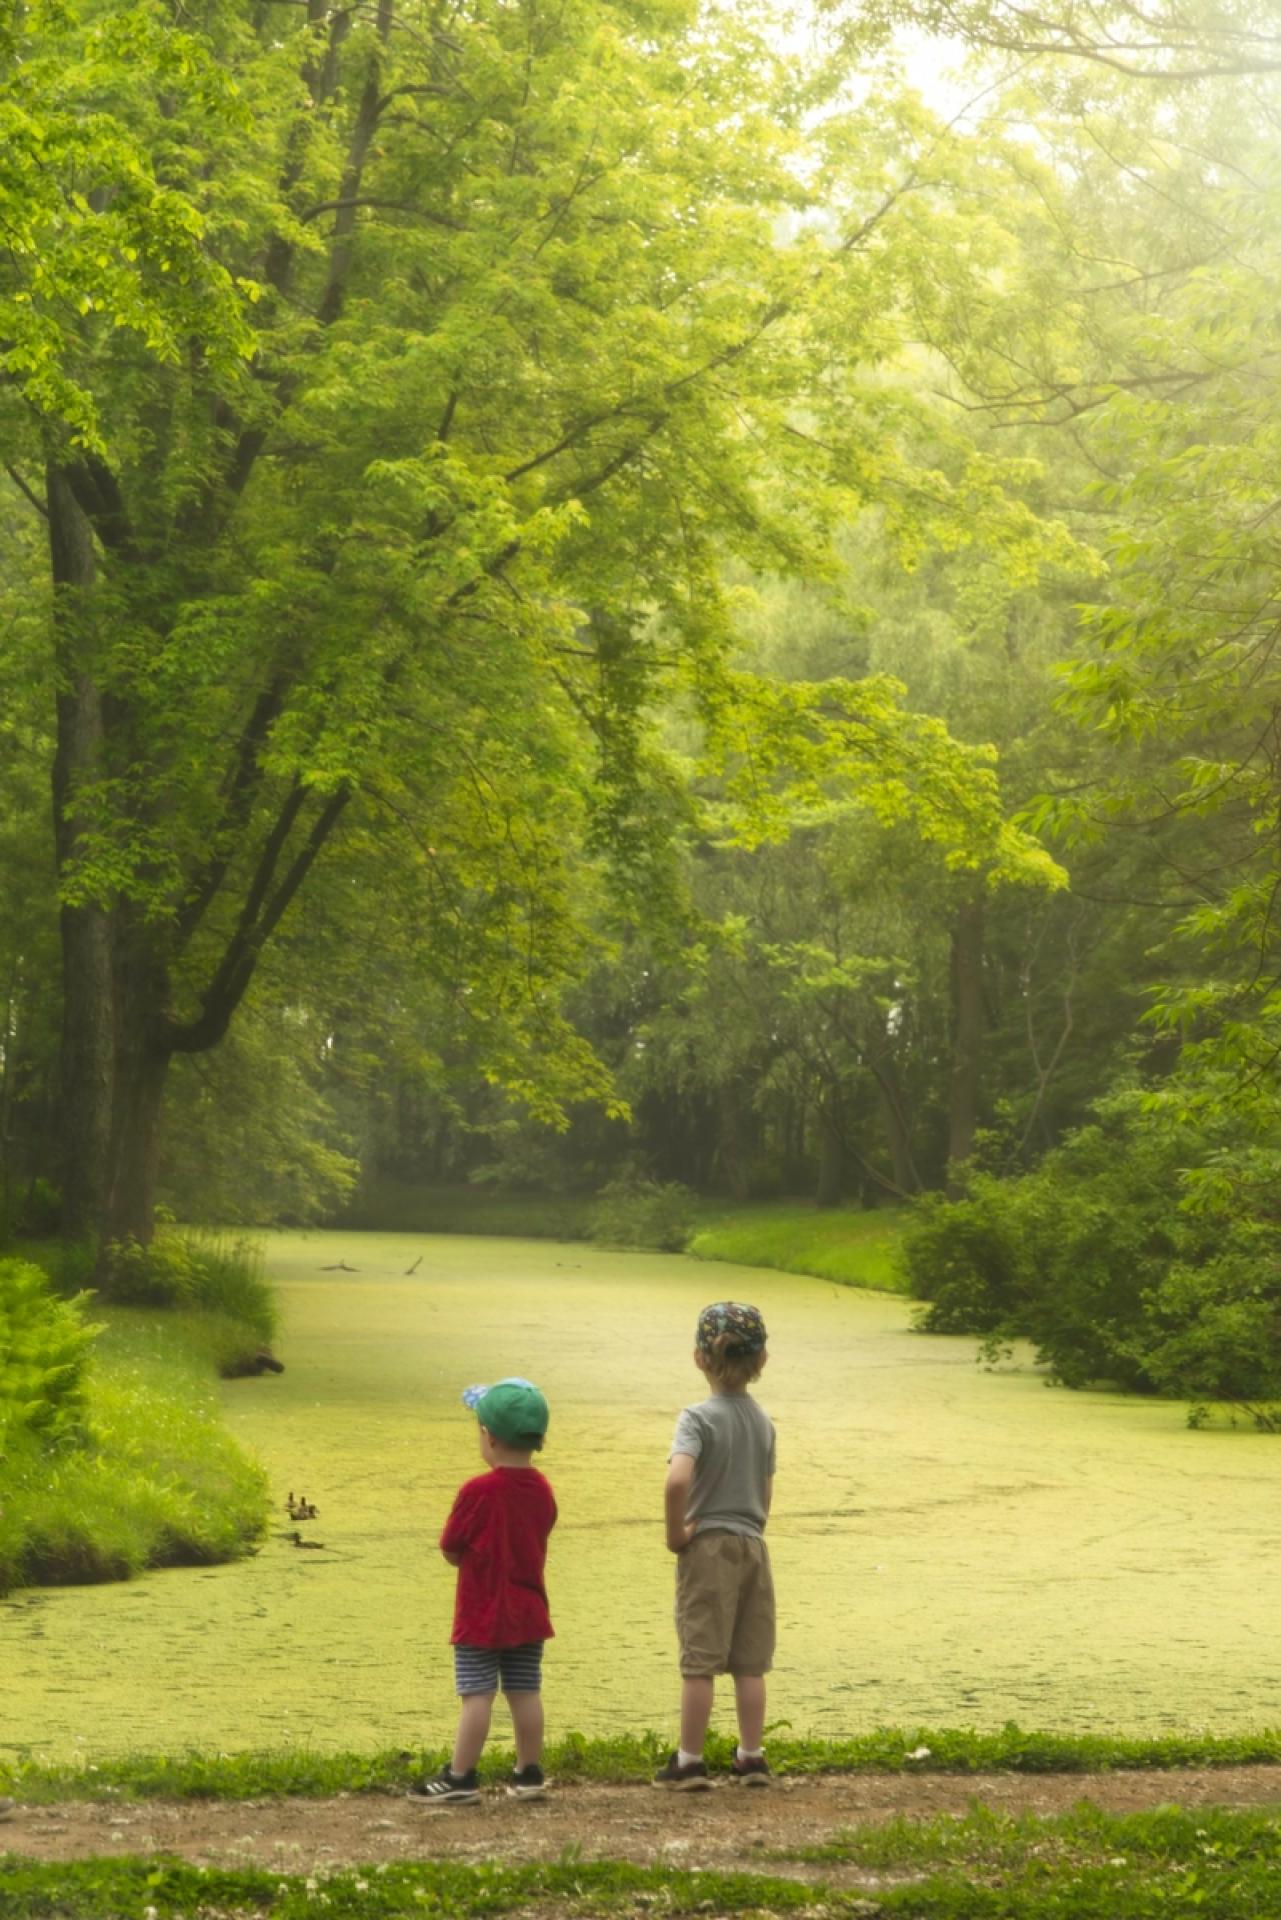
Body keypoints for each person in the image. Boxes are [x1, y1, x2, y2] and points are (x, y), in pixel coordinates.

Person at [409, 1376, 557, 1804]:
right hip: (529, 1610)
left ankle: (460, 1776)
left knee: (477, 1694)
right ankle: (529, 1773)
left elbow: (451, 1548)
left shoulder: (477, 1491)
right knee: (525, 1689)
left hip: (481, 1614)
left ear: (488, 1437)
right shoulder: (543, 1489)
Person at [655, 1301, 776, 1790]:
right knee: (750, 1662)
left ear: (699, 1357)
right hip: (753, 1546)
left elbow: (675, 1482)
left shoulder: (696, 1418)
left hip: (706, 1547)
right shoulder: (764, 1422)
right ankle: (751, 1757)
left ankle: (689, 1760)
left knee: (700, 1661)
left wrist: (676, 1534)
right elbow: (765, 1491)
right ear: (761, 1360)